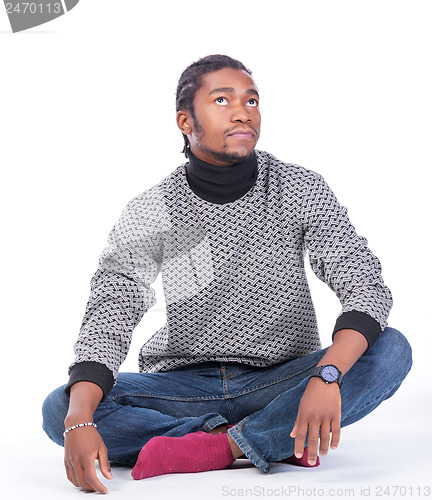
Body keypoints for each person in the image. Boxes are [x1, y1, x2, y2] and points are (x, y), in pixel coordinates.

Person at [42, 54, 412, 494]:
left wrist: (327, 375)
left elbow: (363, 284)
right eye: (222, 99)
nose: (243, 112)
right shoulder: (152, 208)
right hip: (182, 386)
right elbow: (113, 306)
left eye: (252, 101)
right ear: (185, 121)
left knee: (389, 350)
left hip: (281, 377)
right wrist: (79, 418)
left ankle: (222, 447)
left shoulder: (299, 187)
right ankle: (261, 437)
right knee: (62, 407)